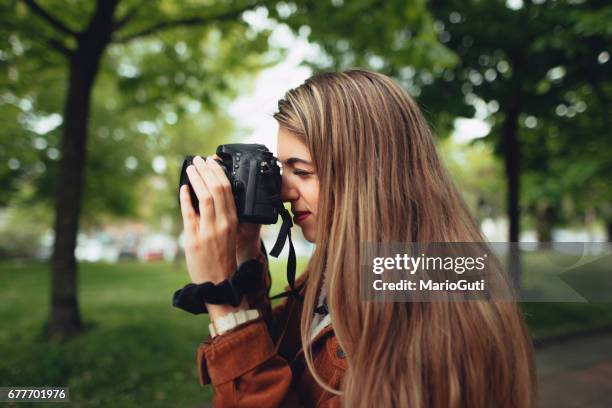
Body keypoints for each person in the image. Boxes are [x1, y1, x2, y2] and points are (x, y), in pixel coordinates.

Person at [178, 69, 537, 407]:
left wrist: (224, 305)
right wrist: (242, 254)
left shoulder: (433, 319)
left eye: (301, 171)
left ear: (366, 177)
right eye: (281, 169)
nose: (284, 192)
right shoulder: (335, 273)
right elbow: (276, 356)